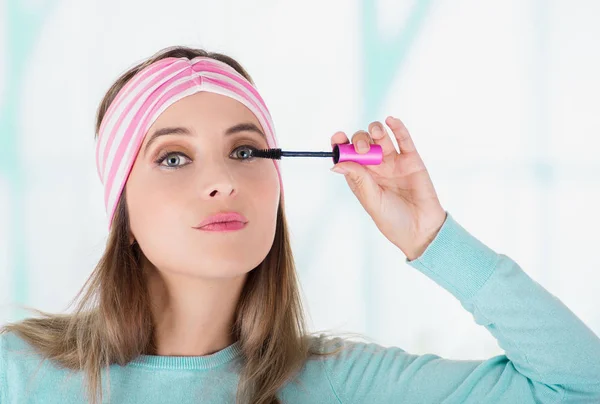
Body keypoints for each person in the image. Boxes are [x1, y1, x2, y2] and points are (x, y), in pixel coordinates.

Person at [1, 45, 599, 404]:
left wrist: (433, 239)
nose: (223, 181)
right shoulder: (19, 375)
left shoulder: (338, 382)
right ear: (121, 212)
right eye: (173, 157)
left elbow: (578, 388)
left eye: (244, 152)